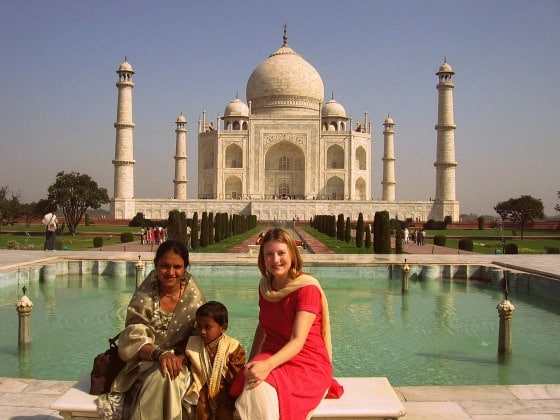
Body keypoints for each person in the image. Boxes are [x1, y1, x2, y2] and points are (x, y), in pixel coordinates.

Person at [235, 228, 343, 420]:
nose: (275, 260)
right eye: (269, 254)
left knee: (255, 393)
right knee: (247, 385)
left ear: (292, 254)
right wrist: (251, 362)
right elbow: (263, 326)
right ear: (262, 258)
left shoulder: (306, 289)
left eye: (281, 253)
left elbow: (298, 340)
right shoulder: (266, 287)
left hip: (306, 363)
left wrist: (266, 365)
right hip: (273, 354)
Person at [97, 239, 206, 420]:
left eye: (177, 267)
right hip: (144, 362)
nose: (171, 272)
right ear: (156, 265)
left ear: (185, 268)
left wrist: (179, 358)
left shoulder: (193, 297)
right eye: (165, 266)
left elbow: (200, 337)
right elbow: (133, 334)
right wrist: (159, 355)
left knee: (167, 376)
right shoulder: (146, 295)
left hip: (181, 364)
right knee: (162, 375)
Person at [184, 301, 246, 420]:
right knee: (201, 412)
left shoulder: (233, 347)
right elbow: (185, 358)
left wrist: (227, 394)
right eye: (199, 327)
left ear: (223, 328)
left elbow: (236, 375)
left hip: (226, 392)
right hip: (203, 390)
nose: (202, 331)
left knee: (225, 413)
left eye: (207, 327)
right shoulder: (193, 344)